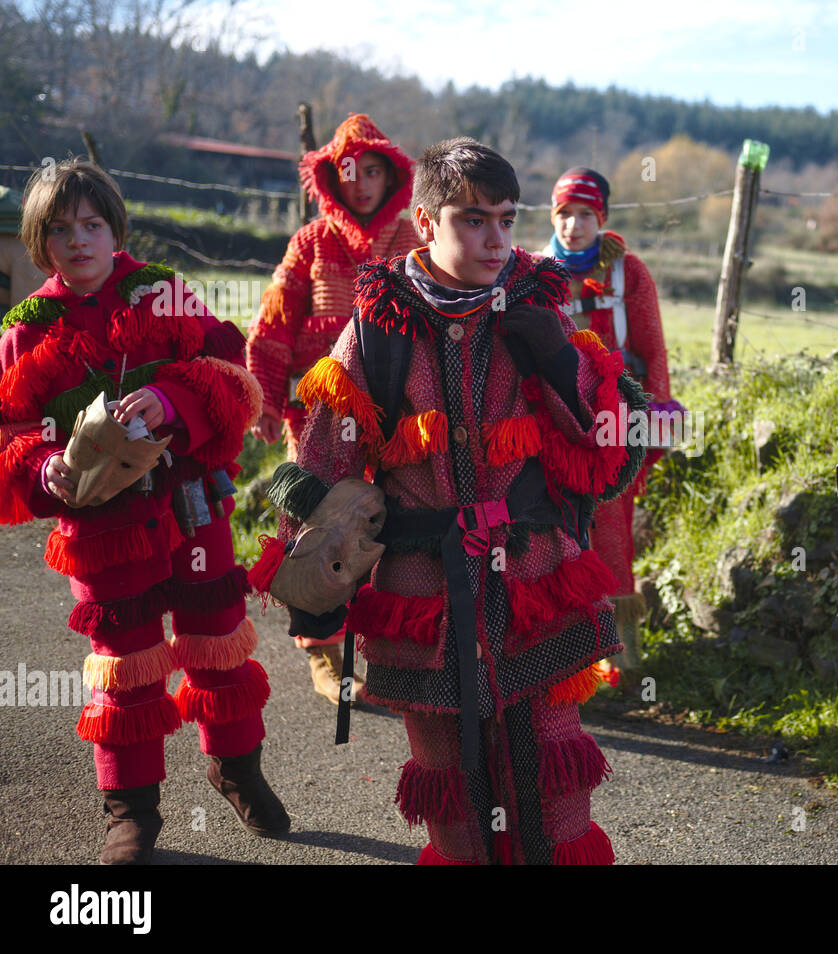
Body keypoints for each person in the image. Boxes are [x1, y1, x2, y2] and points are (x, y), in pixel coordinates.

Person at [255, 137, 644, 864]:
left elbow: (608, 452)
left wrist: (561, 363)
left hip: (536, 583)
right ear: (427, 221)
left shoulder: (541, 307)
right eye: (473, 220)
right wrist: (313, 582)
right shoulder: (376, 326)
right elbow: (321, 458)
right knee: (454, 793)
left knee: (555, 783)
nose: (495, 238)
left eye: (505, 218)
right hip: (421, 597)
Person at [0, 159, 287, 864]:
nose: (79, 241)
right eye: (60, 229)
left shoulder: (164, 295)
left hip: (192, 509)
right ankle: (130, 812)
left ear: (114, 227)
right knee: (125, 665)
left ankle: (236, 767)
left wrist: (174, 402)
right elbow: (10, 434)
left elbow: (233, 374)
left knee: (218, 642)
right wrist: (46, 466)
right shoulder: (23, 333)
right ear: (41, 243)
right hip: (100, 532)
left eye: (92, 224)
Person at [246, 114, 418, 704]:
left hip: (395, 419)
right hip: (317, 418)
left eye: (373, 171)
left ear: (392, 176)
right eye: (349, 171)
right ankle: (322, 653)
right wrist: (267, 399)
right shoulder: (310, 244)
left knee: (381, 528)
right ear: (331, 177)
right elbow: (270, 330)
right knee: (315, 524)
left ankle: (387, 648)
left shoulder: (413, 245)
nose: (361, 182)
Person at [541, 167, 678, 676]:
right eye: (564, 214)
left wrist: (657, 413)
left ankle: (619, 651)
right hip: (554, 422)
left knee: (614, 531)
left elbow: (652, 349)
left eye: (584, 215)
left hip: (617, 423)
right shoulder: (536, 269)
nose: (573, 225)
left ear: (602, 218)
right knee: (555, 530)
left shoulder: (628, 274)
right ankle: (564, 650)